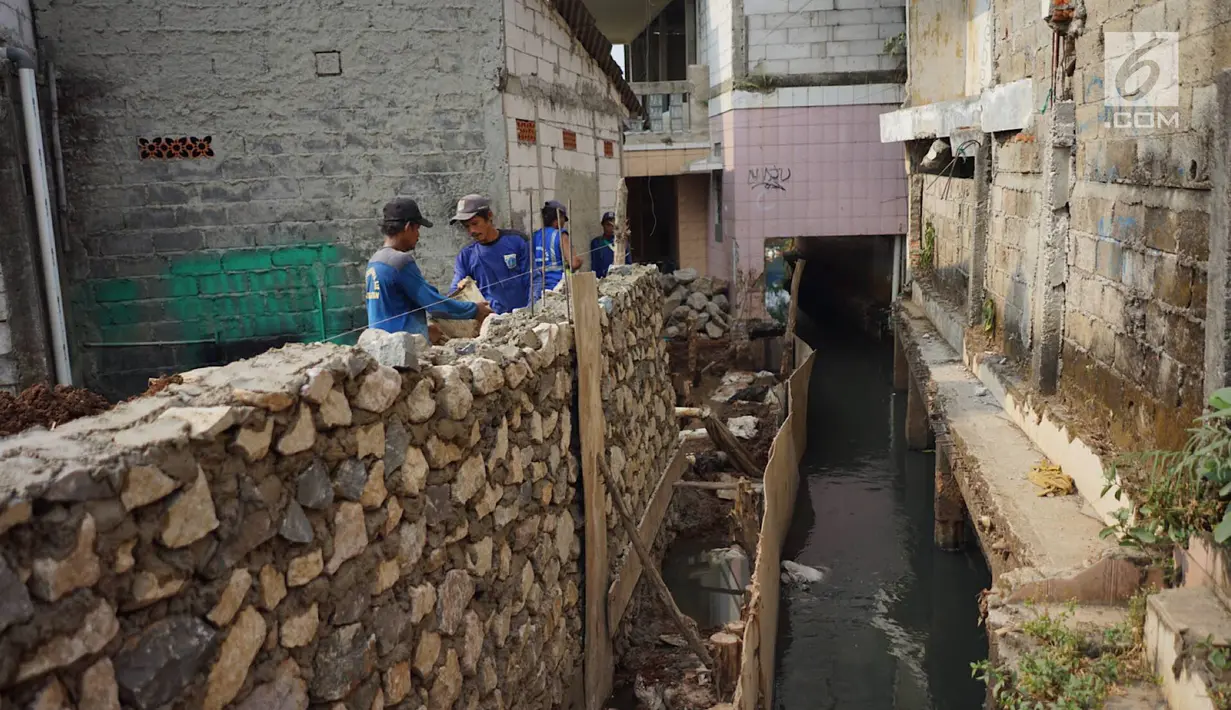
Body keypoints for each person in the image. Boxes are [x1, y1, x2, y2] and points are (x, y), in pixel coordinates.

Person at [365, 197, 491, 341]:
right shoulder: (399, 261)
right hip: (402, 349)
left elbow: (390, 310)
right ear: (408, 227)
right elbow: (434, 304)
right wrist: (474, 310)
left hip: (380, 344)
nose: (418, 236)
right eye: (417, 229)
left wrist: (424, 331)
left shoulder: (375, 261)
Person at [449, 194, 533, 314]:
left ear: (489, 216)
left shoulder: (517, 241)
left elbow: (533, 279)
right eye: (466, 226)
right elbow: (454, 292)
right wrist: (461, 290)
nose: (471, 231)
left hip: (522, 318)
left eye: (475, 223)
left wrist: (532, 310)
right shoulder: (466, 256)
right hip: (492, 324)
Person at [531, 200, 582, 295]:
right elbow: (574, 263)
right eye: (563, 219)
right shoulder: (560, 235)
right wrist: (580, 261)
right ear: (559, 218)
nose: (564, 223)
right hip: (557, 288)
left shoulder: (535, 236)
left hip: (538, 290)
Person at [590, 211, 631, 278]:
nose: (610, 228)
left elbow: (628, 263)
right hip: (603, 279)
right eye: (608, 225)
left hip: (621, 278)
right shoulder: (596, 242)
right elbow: (594, 266)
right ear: (602, 225)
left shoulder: (622, 242)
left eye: (613, 225)